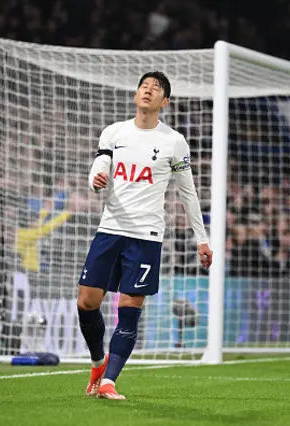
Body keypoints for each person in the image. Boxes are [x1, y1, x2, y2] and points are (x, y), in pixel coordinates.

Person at [76, 71, 212, 400]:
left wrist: (201, 238)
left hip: (146, 237)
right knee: (86, 303)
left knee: (129, 309)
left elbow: (188, 193)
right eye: (144, 87)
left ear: (164, 102)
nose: (148, 91)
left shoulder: (173, 141)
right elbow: (100, 165)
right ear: (136, 95)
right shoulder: (114, 131)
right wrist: (95, 179)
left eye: (156, 89)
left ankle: (109, 380)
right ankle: (98, 363)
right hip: (110, 230)